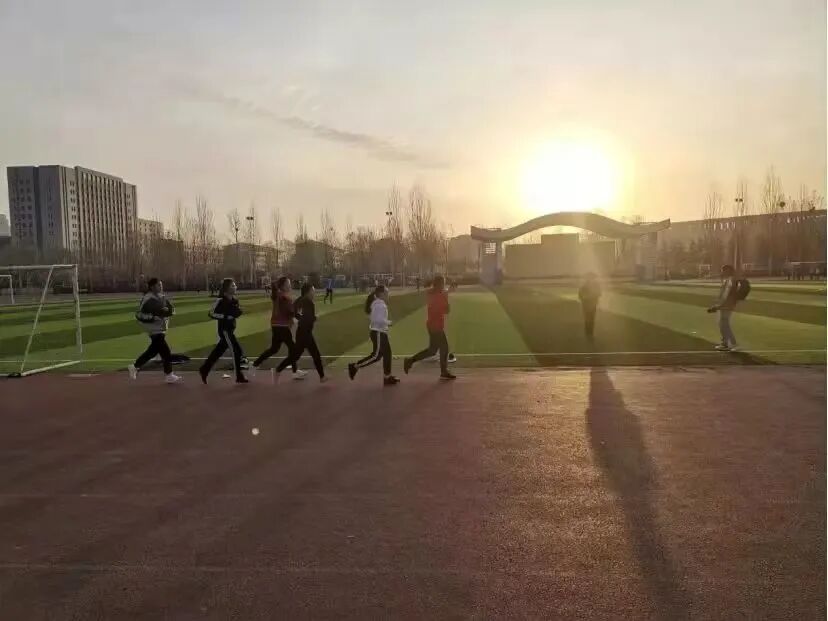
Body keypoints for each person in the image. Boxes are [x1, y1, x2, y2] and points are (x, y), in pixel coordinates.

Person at [251, 276, 306, 379]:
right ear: (283, 286)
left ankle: (255, 365)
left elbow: (289, 312)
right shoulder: (283, 297)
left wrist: (297, 313)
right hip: (282, 326)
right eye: (288, 284)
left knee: (274, 349)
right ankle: (283, 370)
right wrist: (300, 313)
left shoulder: (280, 296)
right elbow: (290, 312)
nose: (290, 285)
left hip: (277, 325)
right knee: (293, 349)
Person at [128, 278, 181, 383]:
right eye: (158, 285)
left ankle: (135, 366)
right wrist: (152, 317)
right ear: (152, 287)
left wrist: (168, 311)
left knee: (154, 351)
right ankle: (169, 374)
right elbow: (139, 314)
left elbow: (172, 309)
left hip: (161, 328)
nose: (161, 287)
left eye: (161, 285)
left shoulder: (162, 297)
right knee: (165, 352)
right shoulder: (147, 299)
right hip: (154, 329)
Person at [404, 275, 456, 380]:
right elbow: (446, 310)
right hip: (436, 326)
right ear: (439, 284)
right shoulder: (438, 296)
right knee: (444, 348)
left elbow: (443, 301)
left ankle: (410, 361)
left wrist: (446, 293)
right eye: (443, 283)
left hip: (433, 325)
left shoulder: (433, 293)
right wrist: (446, 296)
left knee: (432, 350)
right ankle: (444, 371)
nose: (444, 285)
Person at [199, 278, 248, 383]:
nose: (235, 287)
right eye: (232, 286)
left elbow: (235, 313)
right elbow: (211, 313)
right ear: (227, 288)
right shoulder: (220, 300)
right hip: (225, 331)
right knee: (236, 351)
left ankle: (204, 369)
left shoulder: (235, 301)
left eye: (235, 285)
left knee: (218, 351)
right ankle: (239, 376)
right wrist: (225, 316)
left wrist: (238, 312)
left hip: (230, 330)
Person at [348, 285, 399, 385]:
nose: (388, 295)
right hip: (378, 332)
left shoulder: (378, 304)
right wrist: (389, 322)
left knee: (386, 354)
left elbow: (375, 318)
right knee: (376, 356)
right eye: (386, 293)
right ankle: (355, 366)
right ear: (381, 294)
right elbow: (377, 320)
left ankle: (387, 377)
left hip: (380, 332)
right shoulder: (380, 305)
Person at [275, 283, 326, 382]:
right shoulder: (309, 302)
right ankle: (322, 377)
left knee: (296, 355)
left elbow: (294, 312)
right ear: (308, 291)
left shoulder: (299, 300)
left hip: (301, 332)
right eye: (313, 290)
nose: (314, 292)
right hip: (306, 333)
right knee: (315, 354)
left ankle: (279, 369)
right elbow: (308, 318)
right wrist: (315, 318)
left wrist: (300, 318)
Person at [707, 264, 740, 352]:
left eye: (723, 271)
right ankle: (726, 343)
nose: (722, 272)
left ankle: (731, 343)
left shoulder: (731, 280)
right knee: (722, 324)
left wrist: (719, 306)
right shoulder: (729, 280)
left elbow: (727, 294)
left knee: (724, 324)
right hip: (726, 304)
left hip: (727, 305)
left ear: (727, 271)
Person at [578, 273, 602, 338]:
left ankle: (590, 332)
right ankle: (588, 332)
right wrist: (587, 297)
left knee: (591, 319)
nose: (590, 279)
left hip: (591, 305)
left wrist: (591, 296)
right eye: (589, 277)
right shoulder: (584, 286)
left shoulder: (595, 285)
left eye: (591, 278)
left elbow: (599, 293)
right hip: (587, 305)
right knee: (588, 319)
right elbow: (580, 295)